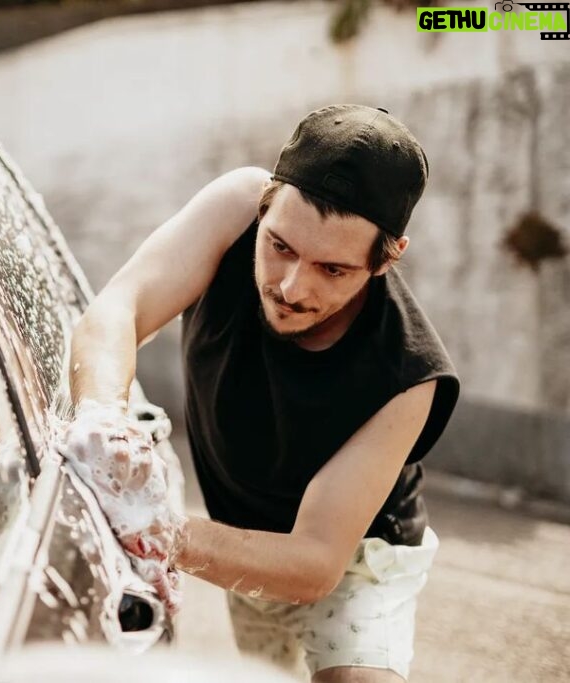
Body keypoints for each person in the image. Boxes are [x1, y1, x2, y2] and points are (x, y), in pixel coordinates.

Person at [64, 104, 459, 682]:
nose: (292, 287)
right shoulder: (234, 207)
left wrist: (158, 529)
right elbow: (116, 310)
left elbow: (314, 565)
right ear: (266, 204)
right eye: (280, 247)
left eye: (333, 270)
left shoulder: (410, 376)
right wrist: (100, 420)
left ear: (387, 258)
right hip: (238, 544)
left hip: (354, 559)